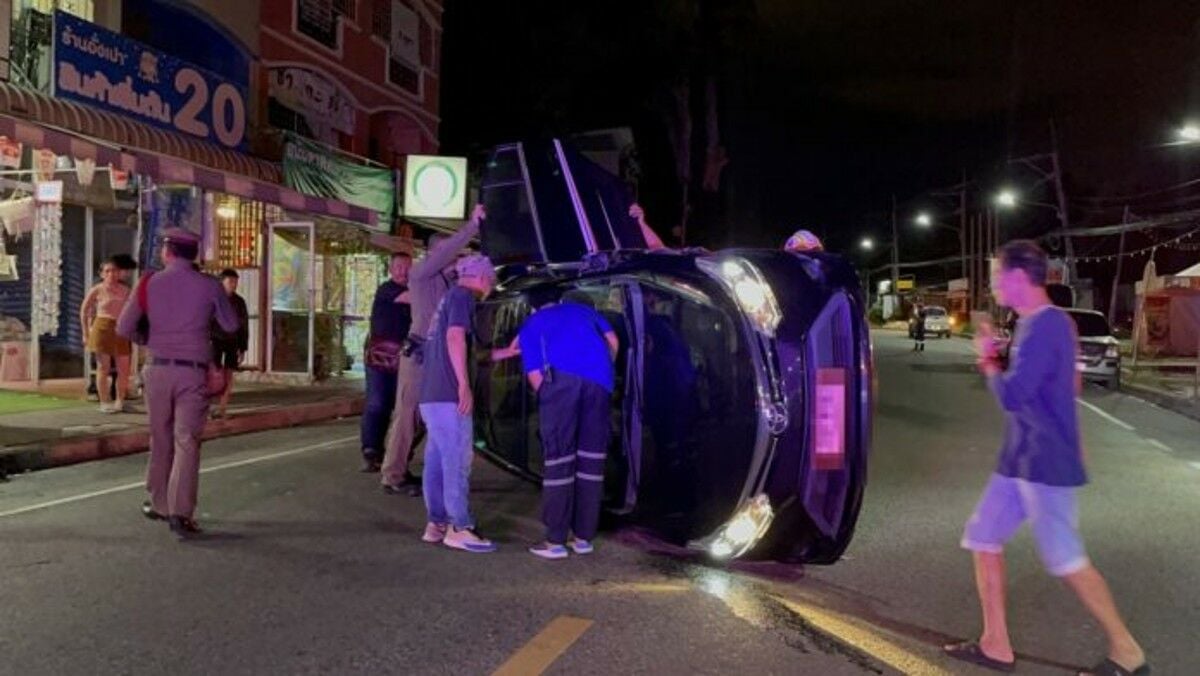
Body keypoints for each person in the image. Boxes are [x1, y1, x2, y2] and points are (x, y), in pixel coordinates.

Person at [945, 240, 1148, 676]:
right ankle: (995, 642)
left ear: (1019, 277)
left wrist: (987, 360)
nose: (994, 285)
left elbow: (1015, 396)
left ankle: (1127, 652)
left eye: (998, 276)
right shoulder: (1042, 323)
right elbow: (1068, 387)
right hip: (1017, 460)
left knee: (1066, 560)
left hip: (1043, 465)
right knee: (983, 538)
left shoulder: (1043, 327)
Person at [116, 228, 241, 538]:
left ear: (168, 252)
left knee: (160, 437)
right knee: (186, 440)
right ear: (194, 254)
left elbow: (124, 327)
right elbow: (230, 324)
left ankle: (159, 502)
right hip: (192, 372)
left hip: (156, 368)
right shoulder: (209, 285)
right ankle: (180, 513)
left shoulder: (149, 282)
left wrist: (148, 338)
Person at [492, 285, 619, 560]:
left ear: (533, 306)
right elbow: (613, 342)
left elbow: (534, 371)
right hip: (600, 384)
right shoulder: (585, 311)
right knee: (591, 461)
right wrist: (602, 371)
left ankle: (555, 542)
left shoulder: (533, 322)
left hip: (561, 386)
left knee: (560, 460)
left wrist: (548, 395)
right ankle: (584, 537)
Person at [380, 204, 485, 496]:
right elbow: (446, 253)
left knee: (430, 417)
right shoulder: (421, 274)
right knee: (408, 415)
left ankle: (402, 467)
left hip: (435, 356)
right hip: (419, 354)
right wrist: (471, 226)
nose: (455, 259)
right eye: (450, 254)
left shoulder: (447, 281)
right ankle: (393, 474)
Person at [417, 253, 497, 553]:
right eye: (490, 279)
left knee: (437, 461)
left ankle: (436, 523)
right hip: (449, 394)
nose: (491, 285)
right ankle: (460, 527)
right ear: (481, 277)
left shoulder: (447, 299)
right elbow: (455, 339)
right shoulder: (463, 296)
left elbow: (450, 345)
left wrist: (502, 354)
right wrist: (464, 385)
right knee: (457, 461)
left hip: (431, 395)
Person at [360, 252, 412, 472]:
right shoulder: (387, 290)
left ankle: (395, 453)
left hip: (406, 358)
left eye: (406, 267)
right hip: (380, 359)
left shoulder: (414, 290)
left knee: (403, 408)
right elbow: (411, 297)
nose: (402, 271)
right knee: (377, 403)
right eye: (398, 266)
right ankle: (371, 449)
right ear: (390, 269)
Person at [80, 257, 132, 413]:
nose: (111, 274)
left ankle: (120, 400)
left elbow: (133, 311)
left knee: (124, 367)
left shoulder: (126, 290)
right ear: (102, 273)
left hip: (121, 328)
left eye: (114, 270)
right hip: (102, 327)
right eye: (107, 271)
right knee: (104, 367)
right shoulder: (97, 289)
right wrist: (85, 332)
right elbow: (84, 310)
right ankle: (104, 400)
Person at [210, 269, 250, 420]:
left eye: (235, 282)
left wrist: (243, 347)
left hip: (232, 341)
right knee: (214, 373)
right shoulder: (214, 300)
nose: (233, 285)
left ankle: (222, 407)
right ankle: (210, 406)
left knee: (229, 374)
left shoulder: (239, 302)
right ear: (222, 282)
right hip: (215, 339)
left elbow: (243, 325)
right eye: (230, 282)